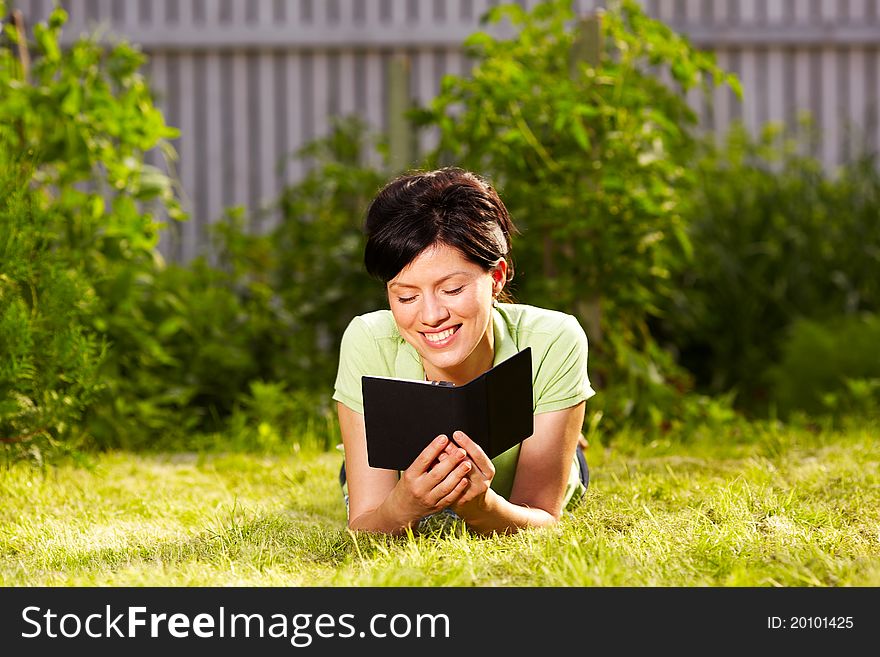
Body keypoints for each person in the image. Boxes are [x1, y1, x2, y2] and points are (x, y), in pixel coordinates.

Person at [332, 167, 595, 535]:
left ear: (497, 277)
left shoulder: (553, 338)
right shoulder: (369, 340)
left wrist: (482, 507)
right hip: (397, 481)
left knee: (563, 457)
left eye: (452, 289)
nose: (431, 316)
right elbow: (365, 527)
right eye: (406, 296)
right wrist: (405, 503)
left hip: (522, 489)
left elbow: (543, 521)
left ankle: (562, 431)